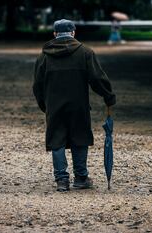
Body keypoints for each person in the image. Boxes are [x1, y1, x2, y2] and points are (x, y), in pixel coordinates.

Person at [33, 19, 116, 192]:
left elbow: (37, 86)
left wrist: (45, 106)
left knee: (56, 139)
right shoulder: (85, 53)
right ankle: (80, 178)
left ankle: (62, 180)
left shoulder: (44, 56)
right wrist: (108, 96)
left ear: (55, 34)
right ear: (73, 33)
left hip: (54, 106)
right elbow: (97, 79)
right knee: (80, 137)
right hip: (79, 105)